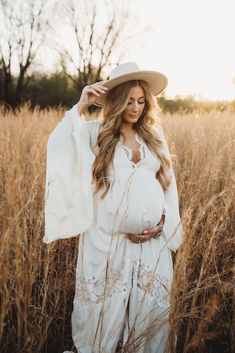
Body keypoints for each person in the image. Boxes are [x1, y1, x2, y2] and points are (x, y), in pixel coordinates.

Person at [43, 62, 184, 353]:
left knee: (149, 317)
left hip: (151, 245)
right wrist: (81, 105)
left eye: (142, 101)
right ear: (117, 100)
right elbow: (59, 145)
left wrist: (162, 223)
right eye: (129, 100)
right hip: (106, 243)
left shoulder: (155, 137)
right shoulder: (96, 133)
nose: (136, 107)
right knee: (103, 320)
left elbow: (169, 186)